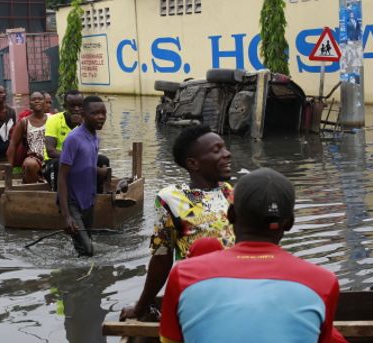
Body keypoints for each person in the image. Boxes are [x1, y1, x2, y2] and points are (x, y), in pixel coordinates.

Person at [159, 168, 343, 343]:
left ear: (230, 215)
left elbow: (170, 340)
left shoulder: (184, 275)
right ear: (289, 223)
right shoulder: (324, 282)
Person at [120, 124, 234, 320]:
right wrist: (141, 307)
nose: (227, 154)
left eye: (224, 147)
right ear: (193, 163)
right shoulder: (171, 199)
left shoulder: (228, 192)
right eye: (217, 150)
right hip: (200, 293)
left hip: (236, 289)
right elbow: (162, 257)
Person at [58, 95, 107, 257]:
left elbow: (88, 167)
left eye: (103, 113)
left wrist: (111, 178)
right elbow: (62, 177)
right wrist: (66, 216)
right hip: (72, 202)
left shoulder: (95, 138)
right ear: (84, 115)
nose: (101, 117)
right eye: (95, 113)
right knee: (87, 251)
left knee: (85, 246)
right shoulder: (73, 139)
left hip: (88, 200)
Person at [43, 90, 110, 192]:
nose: (76, 109)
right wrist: (74, 158)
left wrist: (81, 125)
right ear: (65, 107)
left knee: (103, 160)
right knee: (59, 164)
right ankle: (57, 194)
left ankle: (98, 194)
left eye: (80, 106)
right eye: (72, 106)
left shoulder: (87, 121)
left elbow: (92, 147)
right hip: (56, 160)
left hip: (80, 159)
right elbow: (50, 151)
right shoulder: (54, 120)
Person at [7, 91, 48, 183]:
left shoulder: (53, 118)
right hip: (35, 157)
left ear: (44, 102)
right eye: (34, 100)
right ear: (30, 103)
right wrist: (10, 166)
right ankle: (32, 190)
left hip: (51, 155)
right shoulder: (24, 122)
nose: (37, 101)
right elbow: (13, 144)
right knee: (30, 164)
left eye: (40, 99)